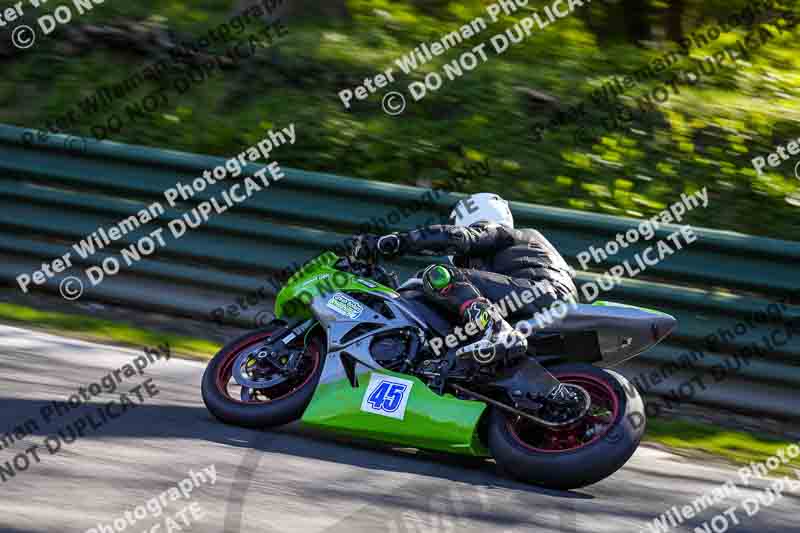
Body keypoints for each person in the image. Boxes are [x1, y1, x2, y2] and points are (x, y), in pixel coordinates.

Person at [358, 192, 578, 363]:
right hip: (550, 305)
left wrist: (399, 242)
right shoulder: (517, 246)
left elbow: (456, 237)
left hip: (540, 294)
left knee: (439, 275)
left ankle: (494, 331)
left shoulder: (497, 232)